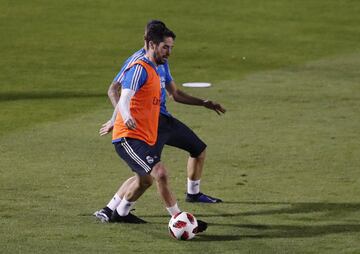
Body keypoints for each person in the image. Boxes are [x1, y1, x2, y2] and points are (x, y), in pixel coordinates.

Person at [94, 20, 226, 224]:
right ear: (150, 42)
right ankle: (117, 209)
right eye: (166, 47)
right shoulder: (138, 65)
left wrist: (203, 103)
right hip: (135, 129)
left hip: (158, 122)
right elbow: (119, 93)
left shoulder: (158, 65)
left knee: (191, 151)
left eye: (171, 47)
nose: (169, 52)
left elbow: (174, 93)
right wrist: (120, 116)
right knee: (153, 172)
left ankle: (120, 212)